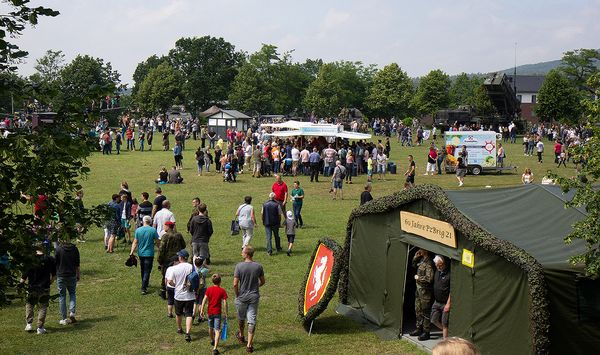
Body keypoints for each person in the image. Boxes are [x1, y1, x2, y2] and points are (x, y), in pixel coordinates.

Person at [234, 246, 265, 354]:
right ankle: (249, 345)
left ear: (247, 254)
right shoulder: (258, 266)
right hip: (254, 297)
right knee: (251, 321)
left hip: (242, 297)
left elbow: (235, 283)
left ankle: (242, 335)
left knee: (241, 318)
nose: (241, 253)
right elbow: (262, 281)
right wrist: (256, 286)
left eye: (242, 252)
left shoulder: (239, 266)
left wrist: (237, 294)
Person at [20, 243, 56, 334]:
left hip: (32, 287)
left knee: (30, 304)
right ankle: (40, 327)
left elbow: (24, 276)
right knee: (43, 306)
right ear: (43, 248)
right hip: (44, 287)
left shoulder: (30, 260)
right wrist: (50, 282)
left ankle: (29, 324)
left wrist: (21, 285)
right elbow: (54, 274)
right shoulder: (49, 259)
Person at [166, 249, 195, 342]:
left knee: (178, 314)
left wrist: (176, 285)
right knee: (189, 314)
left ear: (181, 257)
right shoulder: (191, 267)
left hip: (178, 295)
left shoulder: (175, 268)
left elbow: (169, 281)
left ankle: (179, 328)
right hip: (190, 294)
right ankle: (188, 333)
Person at [130, 215, 160, 295]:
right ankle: (144, 287)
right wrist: (160, 249)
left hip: (141, 253)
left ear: (143, 221)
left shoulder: (138, 230)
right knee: (147, 270)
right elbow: (157, 242)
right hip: (149, 253)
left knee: (143, 269)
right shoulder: (153, 230)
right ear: (150, 222)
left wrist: (131, 252)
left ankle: (145, 283)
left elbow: (135, 242)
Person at [200, 274, 229, 355]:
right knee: (217, 330)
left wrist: (201, 310)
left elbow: (204, 300)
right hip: (217, 313)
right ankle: (215, 348)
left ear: (212, 281)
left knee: (210, 327)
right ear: (220, 282)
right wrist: (226, 313)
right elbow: (225, 302)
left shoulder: (209, 289)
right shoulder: (222, 290)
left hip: (210, 312)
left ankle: (212, 340)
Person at [158, 221, 186, 299]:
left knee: (165, 275)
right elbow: (183, 245)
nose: (164, 227)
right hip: (177, 259)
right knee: (177, 275)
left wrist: (159, 260)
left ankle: (163, 292)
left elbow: (161, 249)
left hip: (167, 259)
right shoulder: (178, 235)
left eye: (165, 226)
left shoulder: (165, 236)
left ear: (168, 226)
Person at [410, 249, 434, 341]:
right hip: (418, 289)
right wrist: (415, 257)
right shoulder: (421, 260)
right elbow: (413, 266)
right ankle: (419, 328)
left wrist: (418, 278)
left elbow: (429, 279)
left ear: (426, 251)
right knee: (418, 309)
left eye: (421, 250)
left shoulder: (429, 262)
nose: (419, 250)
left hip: (425, 291)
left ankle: (426, 332)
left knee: (425, 311)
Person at [56, 238, 80, 326]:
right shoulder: (75, 249)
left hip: (61, 275)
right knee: (72, 293)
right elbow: (77, 264)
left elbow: (56, 262)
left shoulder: (58, 249)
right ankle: (72, 312)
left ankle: (64, 318)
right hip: (72, 274)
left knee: (62, 296)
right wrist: (78, 274)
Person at [431, 255, 451, 339]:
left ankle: (445, 343)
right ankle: (448, 332)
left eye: (440, 265)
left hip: (445, 303)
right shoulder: (437, 271)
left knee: (444, 323)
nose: (438, 267)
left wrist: (448, 304)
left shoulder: (449, 274)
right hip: (437, 301)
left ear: (444, 263)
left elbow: (452, 290)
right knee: (433, 320)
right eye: (437, 265)